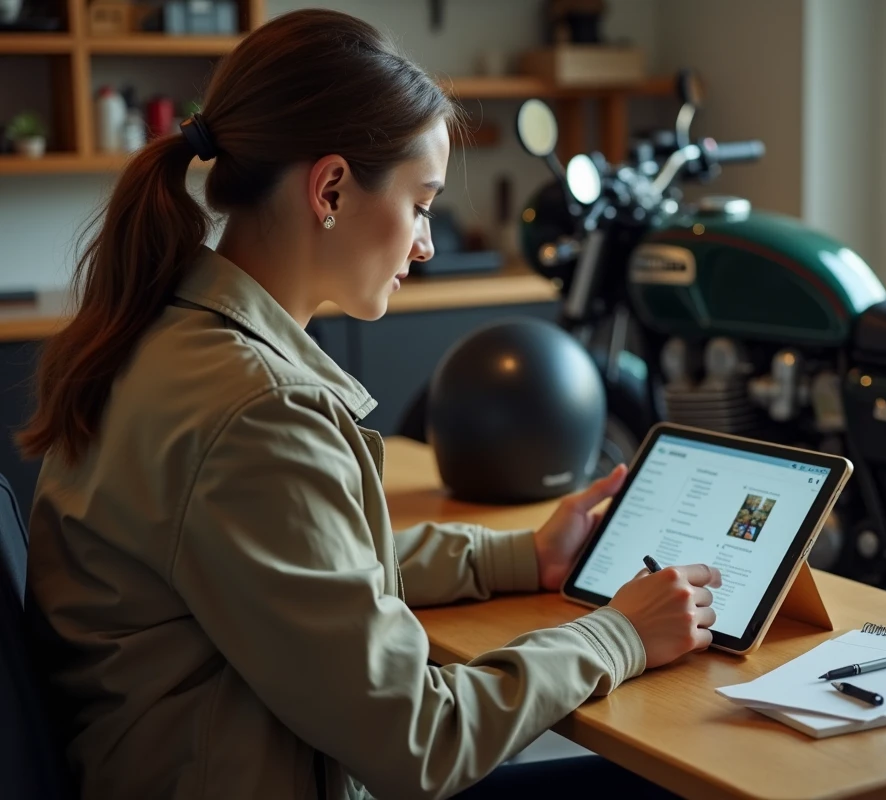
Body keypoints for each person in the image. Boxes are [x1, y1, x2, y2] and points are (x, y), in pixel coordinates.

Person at [19, 10, 721, 800]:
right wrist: (619, 633)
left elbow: (311, 571)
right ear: (330, 189)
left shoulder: (165, 334)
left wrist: (525, 557)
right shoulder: (257, 412)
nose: (425, 243)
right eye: (420, 203)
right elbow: (420, 743)